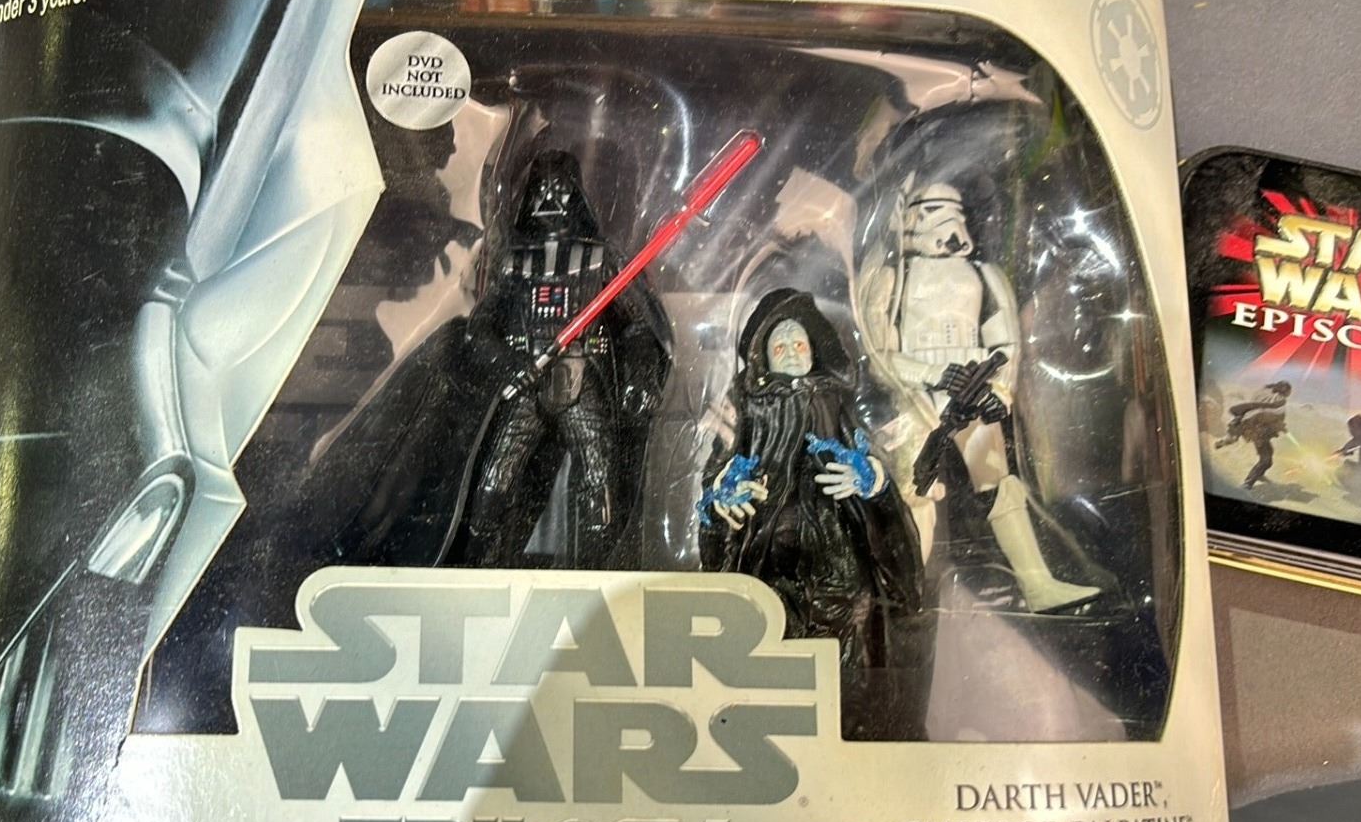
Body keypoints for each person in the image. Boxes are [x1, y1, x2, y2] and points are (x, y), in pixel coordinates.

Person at [858, 183, 1098, 610]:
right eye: (932, 210)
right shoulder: (893, 279)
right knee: (915, 495)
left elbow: (1006, 342)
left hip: (974, 394)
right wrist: (932, 374)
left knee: (1002, 488)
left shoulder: (985, 275)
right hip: (917, 402)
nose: (945, 220)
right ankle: (905, 592)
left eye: (952, 209)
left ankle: (1037, 584)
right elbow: (880, 356)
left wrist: (998, 390)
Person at [461, 150, 670, 567]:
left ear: (577, 195)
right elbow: (478, 331)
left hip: (582, 377)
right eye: (542, 189)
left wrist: (640, 374)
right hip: (527, 380)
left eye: (560, 190)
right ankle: (477, 565)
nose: (550, 199)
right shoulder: (514, 263)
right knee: (494, 481)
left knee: (599, 482)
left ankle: (596, 570)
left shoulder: (601, 259)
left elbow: (638, 325)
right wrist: (509, 364)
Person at [701, 289, 923, 671]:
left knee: (847, 651)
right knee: (766, 643)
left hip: (835, 552)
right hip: (767, 555)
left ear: (813, 348)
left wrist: (868, 476)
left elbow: (876, 459)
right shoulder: (747, 406)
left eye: (798, 343)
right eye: (780, 345)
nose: (790, 352)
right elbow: (717, 472)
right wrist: (724, 492)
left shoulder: (834, 401)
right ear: (764, 356)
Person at [1216, 380, 1291, 489]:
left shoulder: (1264, 391)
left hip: (1243, 422)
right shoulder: (1279, 401)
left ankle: (1226, 441)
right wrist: (1281, 427)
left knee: (1267, 455)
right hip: (1257, 430)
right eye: (1288, 391)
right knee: (1266, 460)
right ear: (1285, 391)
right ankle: (1248, 483)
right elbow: (1271, 416)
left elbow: (1256, 406)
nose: (1289, 393)